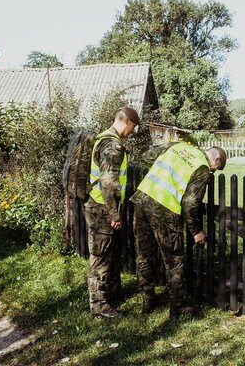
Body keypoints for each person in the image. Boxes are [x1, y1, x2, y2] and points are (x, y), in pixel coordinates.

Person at [130, 141, 227, 318]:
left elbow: (146, 156)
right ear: (216, 159)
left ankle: (148, 299)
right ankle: (178, 306)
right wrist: (196, 231)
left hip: (142, 200)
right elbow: (190, 204)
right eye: (216, 169)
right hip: (164, 210)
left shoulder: (178, 146)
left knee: (144, 254)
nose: (213, 172)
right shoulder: (202, 167)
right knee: (174, 260)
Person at [84, 106, 140, 319]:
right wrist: (114, 215)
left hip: (97, 206)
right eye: (133, 127)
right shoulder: (112, 146)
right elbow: (108, 184)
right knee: (100, 256)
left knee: (108, 253)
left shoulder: (103, 138)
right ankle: (98, 304)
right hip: (102, 209)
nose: (133, 132)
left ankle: (110, 293)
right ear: (125, 121)